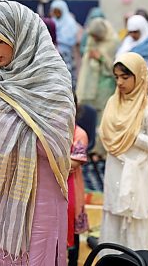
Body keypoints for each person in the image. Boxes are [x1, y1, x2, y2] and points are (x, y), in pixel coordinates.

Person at [0, 0, 75, 265]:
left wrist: (2, 128)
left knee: (33, 254)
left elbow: (55, 141)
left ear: (19, 36)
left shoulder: (51, 79)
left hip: (38, 193)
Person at [98, 52, 148, 253]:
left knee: (136, 218)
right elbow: (104, 132)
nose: (120, 82)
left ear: (139, 76)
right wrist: (119, 136)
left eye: (125, 77)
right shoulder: (113, 102)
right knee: (114, 215)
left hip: (138, 172)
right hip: (115, 166)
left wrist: (133, 135)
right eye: (117, 77)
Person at [77, 18, 119, 157]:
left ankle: (101, 150)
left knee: (103, 119)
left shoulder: (113, 42)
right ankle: (91, 147)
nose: (94, 39)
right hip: (90, 85)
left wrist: (100, 58)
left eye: (96, 37)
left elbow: (114, 67)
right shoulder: (91, 39)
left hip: (105, 85)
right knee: (90, 117)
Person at [67, 99, 89, 266]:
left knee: (71, 227)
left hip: (70, 187)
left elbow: (74, 163)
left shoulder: (78, 133)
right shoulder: (49, 130)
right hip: (48, 187)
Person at [50, 0, 80, 89]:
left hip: (67, 55)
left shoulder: (70, 22)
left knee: (67, 78)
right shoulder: (52, 22)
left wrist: (57, 40)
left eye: (58, 11)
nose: (56, 14)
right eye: (54, 11)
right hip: (53, 54)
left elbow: (71, 40)